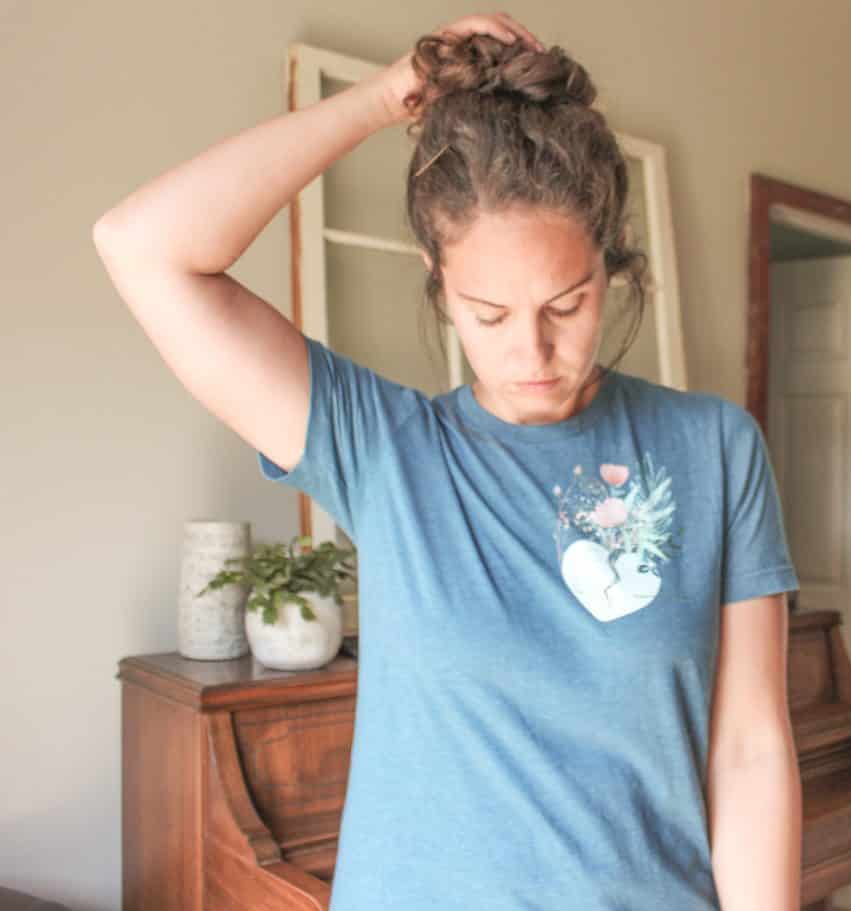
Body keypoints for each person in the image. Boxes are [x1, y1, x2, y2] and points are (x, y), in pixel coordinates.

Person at [93, 12, 802, 909]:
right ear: (437, 276)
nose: (532, 352)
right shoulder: (383, 449)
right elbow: (142, 248)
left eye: (568, 303)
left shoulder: (715, 448)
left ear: (610, 263)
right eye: (489, 314)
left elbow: (749, 751)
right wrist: (385, 98)